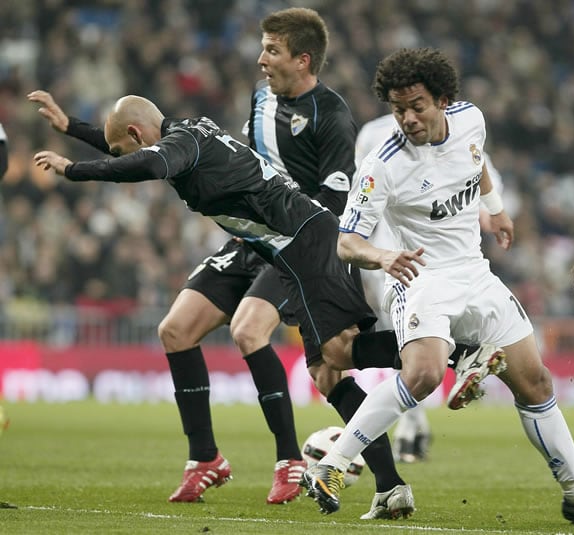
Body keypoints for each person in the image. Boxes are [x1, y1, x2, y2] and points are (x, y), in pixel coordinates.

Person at [302, 48, 574, 526]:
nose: (407, 118)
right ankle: (333, 465)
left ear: (444, 100)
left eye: (417, 106)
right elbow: (347, 243)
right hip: (421, 276)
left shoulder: (470, 120)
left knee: (536, 381)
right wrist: (383, 256)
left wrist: (496, 206)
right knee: (422, 374)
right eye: (398, 108)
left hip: (475, 272)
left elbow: (475, 160)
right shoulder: (381, 165)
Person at [30, 88, 414, 518]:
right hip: (279, 245)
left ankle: (442, 349)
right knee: (326, 370)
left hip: (303, 240)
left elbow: (146, 161)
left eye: (123, 147)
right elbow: (133, 149)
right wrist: (71, 128)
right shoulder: (184, 135)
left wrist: (75, 170)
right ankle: (389, 485)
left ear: (138, 134)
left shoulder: (178, 146)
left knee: (334, 354)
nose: (122, 154)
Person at [355, 114, 509, 461]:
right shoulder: (375, 137)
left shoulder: (460, 127)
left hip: (444, 259)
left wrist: (491, 213)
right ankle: (460, 363)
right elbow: (363, 195)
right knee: (409, 341)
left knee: (415, 341)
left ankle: (414, 422)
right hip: (392, 256)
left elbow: (482, 177)